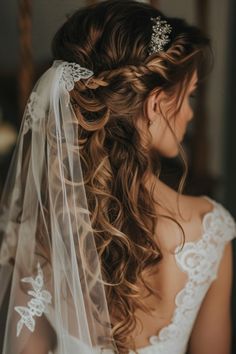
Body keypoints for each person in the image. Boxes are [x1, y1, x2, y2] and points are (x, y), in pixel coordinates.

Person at [0, 1, 235, 353]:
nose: (188, 114)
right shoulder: (210, 230)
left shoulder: (38, 235)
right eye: (189, 96)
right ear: (155, 105)